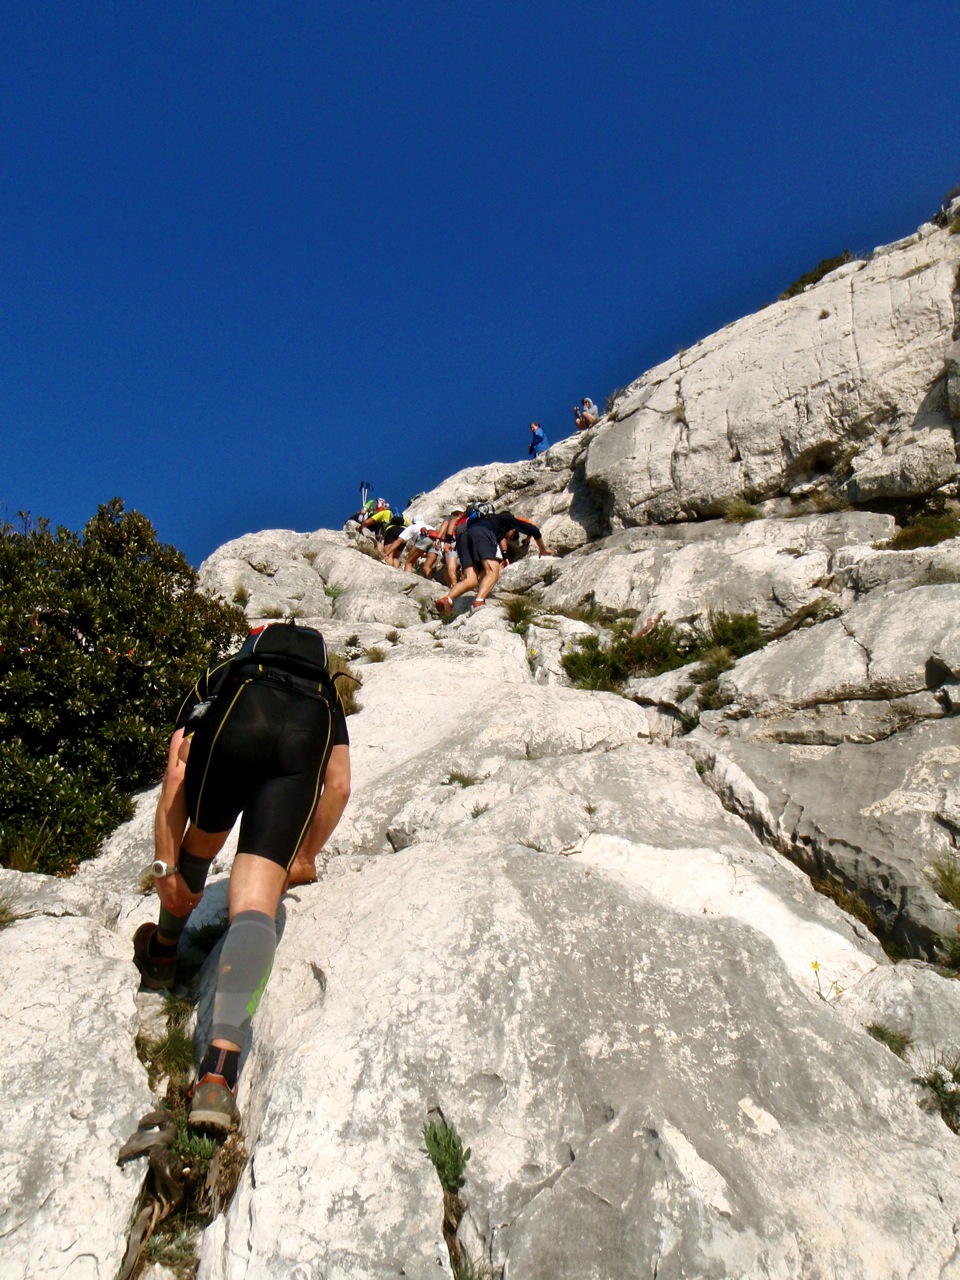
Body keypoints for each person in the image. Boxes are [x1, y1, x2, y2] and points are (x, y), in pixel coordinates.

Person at [134, 621, 351, 1134]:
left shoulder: (226, 673)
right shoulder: (327, 696)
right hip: (303, 736)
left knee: (203, 840)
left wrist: (165, 870)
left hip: (239, 718)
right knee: (254, 902)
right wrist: (303, 855)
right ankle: (217, 1075)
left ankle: (164, 951)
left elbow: (177, 774)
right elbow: (339, 788)